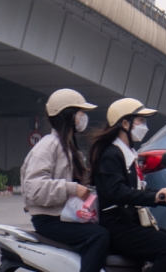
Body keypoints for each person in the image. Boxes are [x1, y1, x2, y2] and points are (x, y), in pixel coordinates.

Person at [90, 98, 166, 272]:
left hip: (131, 223)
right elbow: (117, 191)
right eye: (140, 121)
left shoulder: (128, 153)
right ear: (125, 124)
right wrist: (155, 196)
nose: (145, 126)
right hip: (118, 227)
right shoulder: (111, 154)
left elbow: (137, 190)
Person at [20, 89, 110, 272]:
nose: (83, 117)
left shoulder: (68, 147)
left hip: (64, 215)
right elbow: (34, 188)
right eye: (80, 112)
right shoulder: (48, 146)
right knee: (99, 237)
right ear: (68, 115)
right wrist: (71, 189)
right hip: (50, 219)